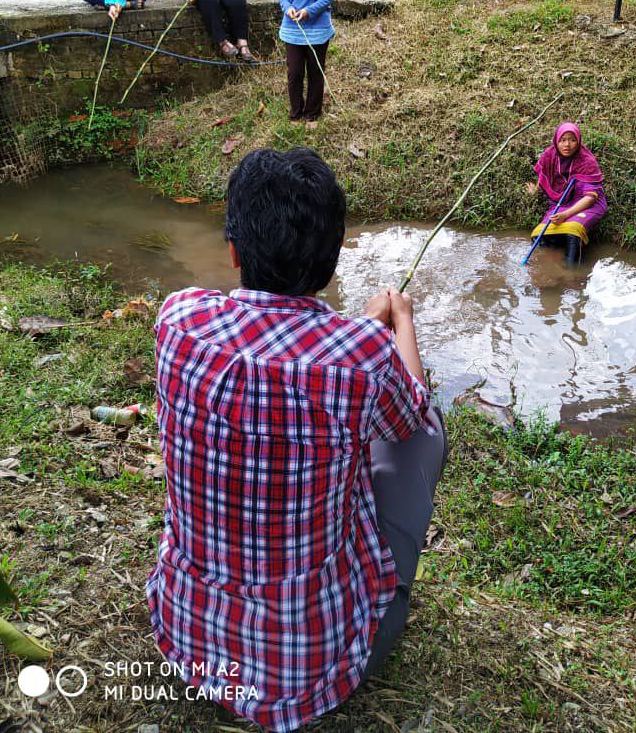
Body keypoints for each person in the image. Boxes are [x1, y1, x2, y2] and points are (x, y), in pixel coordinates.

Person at [147, 148, 447, 733]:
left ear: (233, 250)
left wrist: (359, 329)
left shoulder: (177, 319)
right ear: (332, 262)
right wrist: (398, 320)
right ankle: (391, 595)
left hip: (187, 637)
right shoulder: (363, 354)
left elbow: (281, 346)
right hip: (307, 671)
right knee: (425, 437)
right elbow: (412, 418)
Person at [277, 0, 335, 125]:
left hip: (317, 26)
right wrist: (288, 8)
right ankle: (295, 112)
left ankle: (312, 113)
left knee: (315, 71)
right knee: (294, 73)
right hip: (293, 27)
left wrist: (309, 11)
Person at [528, 121, 607, 265]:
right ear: (556, 141)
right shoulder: (549, 155)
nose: (567, 145)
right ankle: (550, 273)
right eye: (563, 140)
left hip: (587, 204)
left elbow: (590, 198)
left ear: (578, 141)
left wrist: (565, 215)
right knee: (539, 235)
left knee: (573, 231)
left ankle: (572, 275)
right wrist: (537, 189)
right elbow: (544, 173)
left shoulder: (587, 161)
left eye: (572, 140)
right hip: (560, 203)